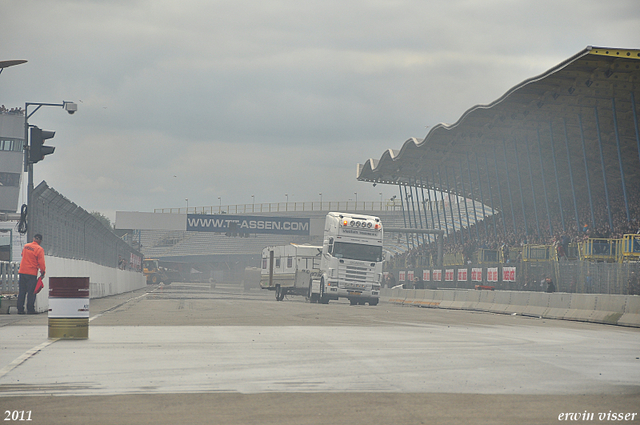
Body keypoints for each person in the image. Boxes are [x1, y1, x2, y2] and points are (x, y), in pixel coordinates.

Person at [17, 234, 46, 314]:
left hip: (22, 271)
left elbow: (22, 255)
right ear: (40, 240)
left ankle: (20, 309)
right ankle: (30, 309)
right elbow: (41, 262)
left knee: (22, 291)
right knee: (31, 292)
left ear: (33, 239)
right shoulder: (39, 249)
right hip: (31, 273)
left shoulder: (26, 246)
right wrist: (43, 272)